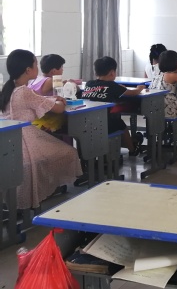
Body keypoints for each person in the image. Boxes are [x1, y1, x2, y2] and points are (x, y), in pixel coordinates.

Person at [0, 49, 82, 209]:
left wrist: (51, 98)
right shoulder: (24, 91)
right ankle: (47, 188)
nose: (37, 68)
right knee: (68, 152)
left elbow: (36, 99)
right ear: (28, 70)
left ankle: (43, 188)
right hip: (24, 139)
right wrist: (61, 101)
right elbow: (58, 109)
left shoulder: (8, 88)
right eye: (35, 64)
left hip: (8, 138)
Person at [81, 56, 146, 156]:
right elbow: (133, 93)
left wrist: (119, 88)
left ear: (96, 72)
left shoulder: (89, 84)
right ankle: (132, 149)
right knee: (120, 124)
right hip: (104, 124)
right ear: (112, 73)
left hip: (85, 123)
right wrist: (139, 88)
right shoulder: (113, 86)